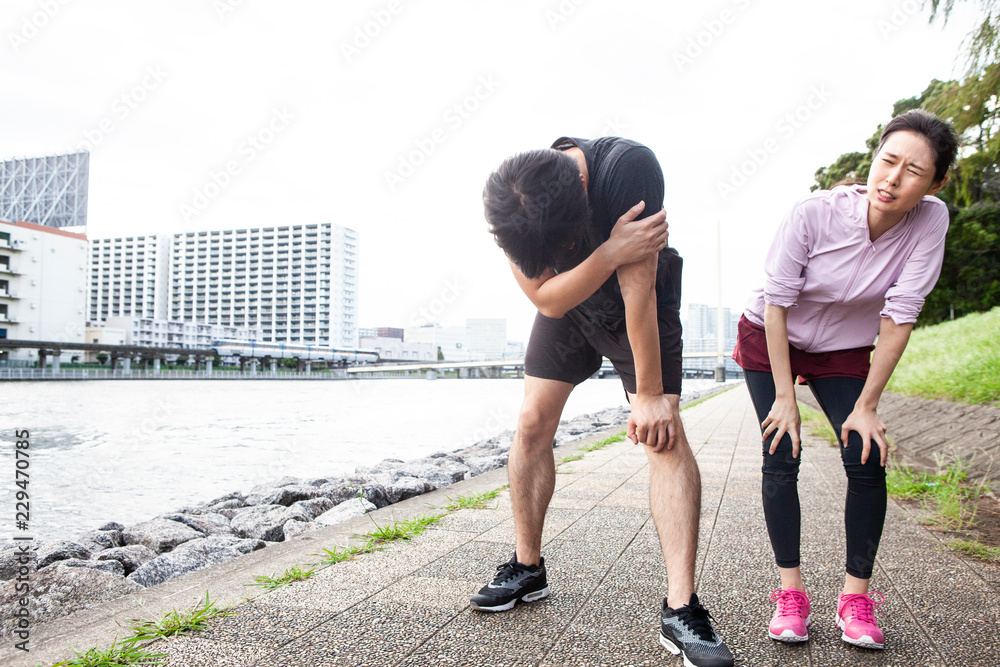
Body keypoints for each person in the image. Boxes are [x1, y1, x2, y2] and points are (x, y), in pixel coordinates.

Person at [474, 136, 734, 667]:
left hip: (636, 301)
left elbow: (638, 293)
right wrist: (610, 250)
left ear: (582, 203)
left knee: (663, 436)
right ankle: (529, 568)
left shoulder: (627, 170)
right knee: (530, 423)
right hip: (568, 306)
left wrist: (650, 396)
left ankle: (681, 609)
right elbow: (546, 299)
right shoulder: (512, 200)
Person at [732, 109, 958, 650]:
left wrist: (868, 406)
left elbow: (900, 315)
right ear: (874, 158)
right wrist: (786, 398)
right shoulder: (814, 213)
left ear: (936, 183)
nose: (894, 179)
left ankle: (855, 597)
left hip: (843, 348)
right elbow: (779, 303)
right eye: (888, 161)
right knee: (780, 451)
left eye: (914, 171)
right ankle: (791, 593)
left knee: (865, 453)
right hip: (771, 335)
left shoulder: (931, 220)